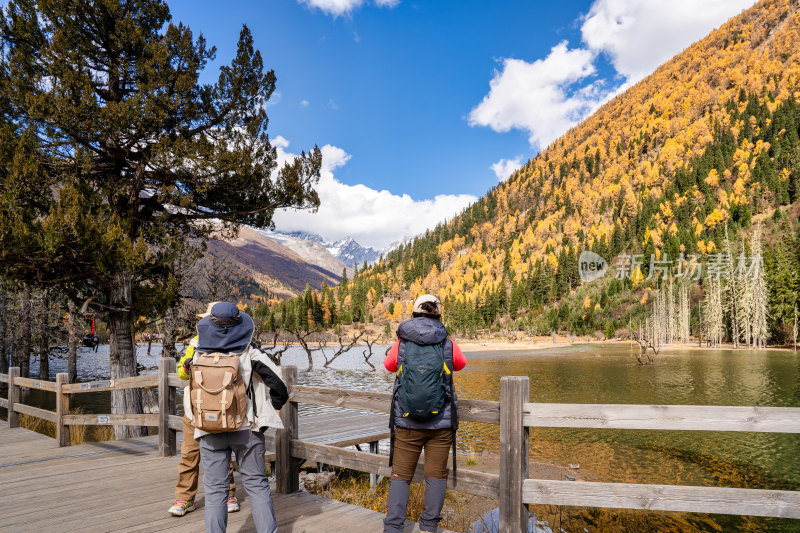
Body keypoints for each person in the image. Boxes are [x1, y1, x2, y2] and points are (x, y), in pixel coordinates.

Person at [187, 302, 288, 533]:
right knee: (257, 485)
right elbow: (280, 387)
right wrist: (275, 407)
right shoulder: (250, 353)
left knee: (214, 490)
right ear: (240, 326)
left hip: (208, 429)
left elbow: (189, 380)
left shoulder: (198, 352)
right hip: (246, 429)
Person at [383, 294, 467, 533]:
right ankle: (428, 528)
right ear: (438, 315)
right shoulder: (447, 344)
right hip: (440, 424)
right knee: (436, 477)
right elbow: (460, 364)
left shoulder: (401, 344)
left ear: (414, 314)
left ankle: (393, 528)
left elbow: (389, 366)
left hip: (406, 421)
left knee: (400, 476)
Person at [168, 303, 240, 517]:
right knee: (189, 454)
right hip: (195, 408)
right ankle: (185, 499)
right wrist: (187, 364)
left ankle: (228, 494)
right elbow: (182, 373)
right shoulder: (196, 343)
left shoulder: (236, 344)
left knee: (221, 454)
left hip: (222, 408)